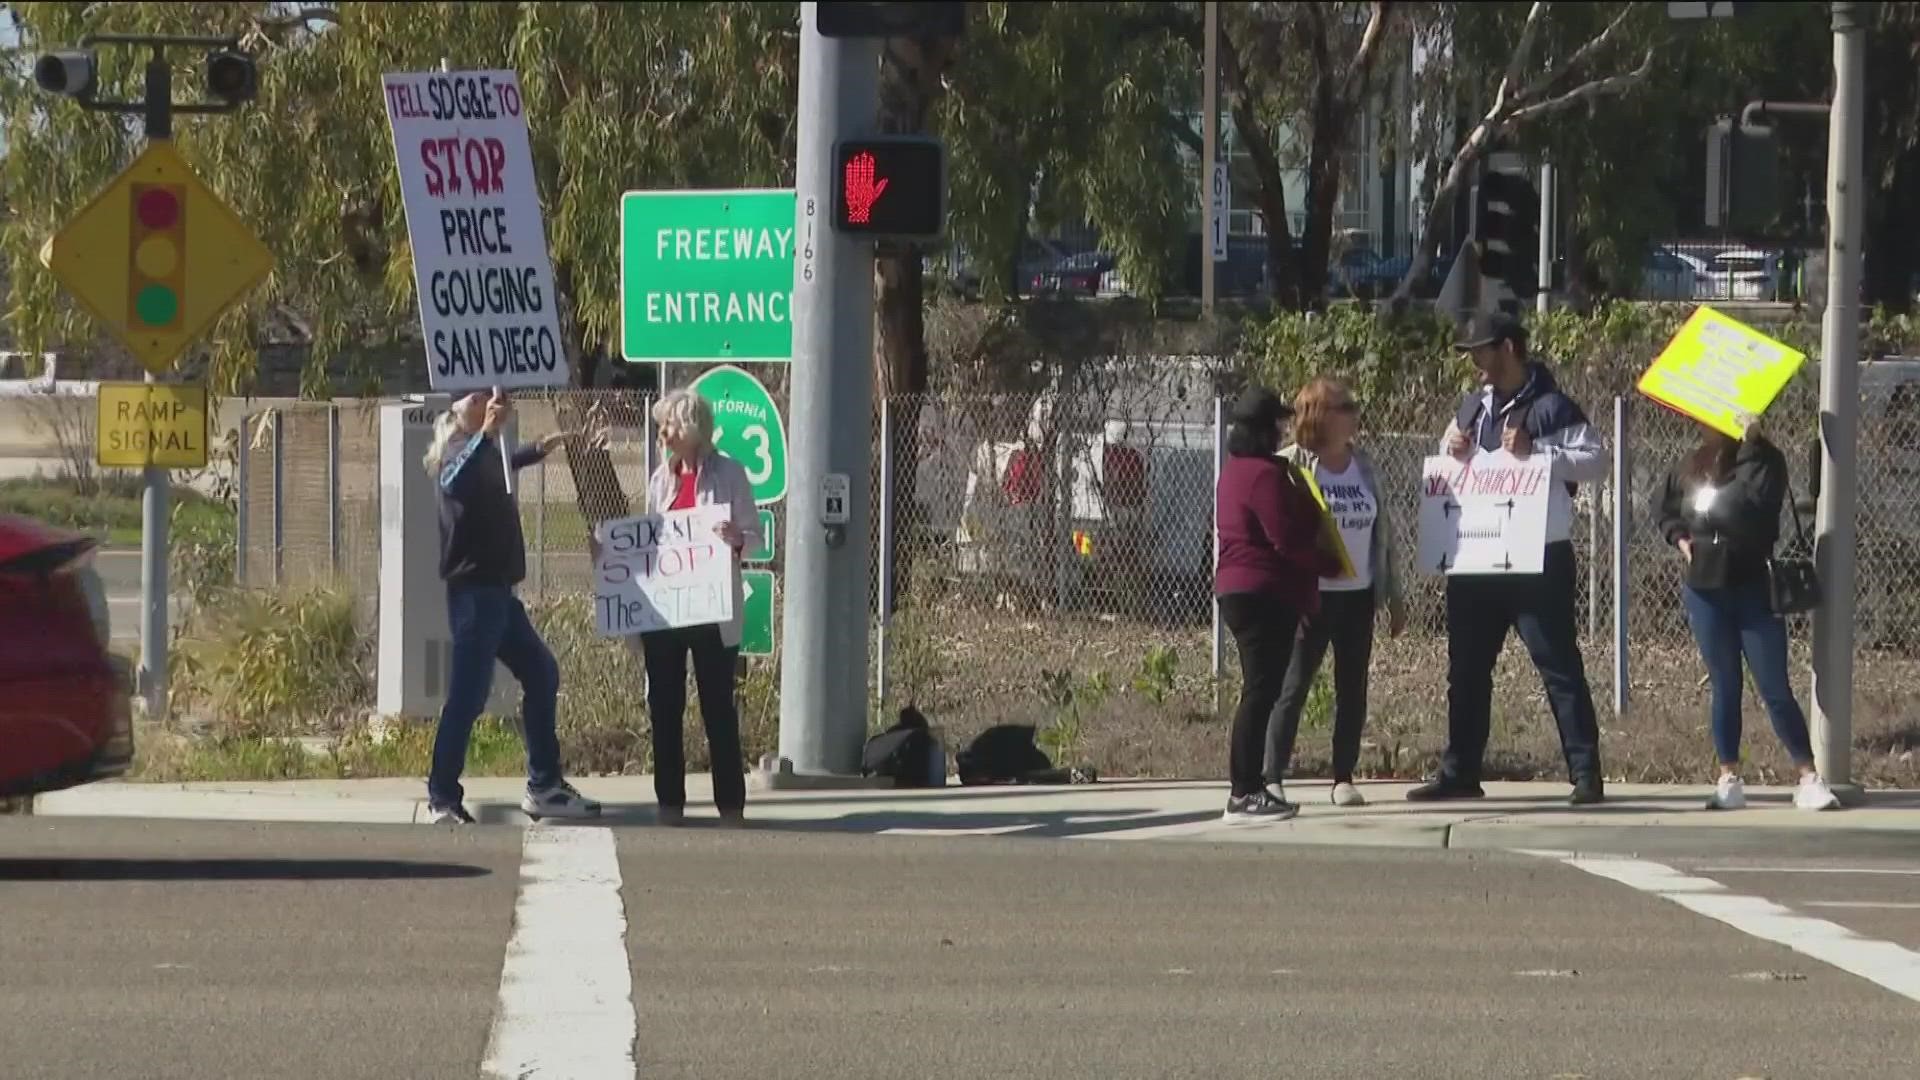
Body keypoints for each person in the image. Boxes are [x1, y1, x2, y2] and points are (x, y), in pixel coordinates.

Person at [1409, 312, 1610, 806]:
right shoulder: (1473, 407)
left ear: (1509, 348)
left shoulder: (1552, 406)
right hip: (1476, 558)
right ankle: (1460, 772)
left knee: (1558, 665)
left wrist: (1539, 451)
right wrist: (1450, 446)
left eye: (1481, 350)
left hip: (1537, 558)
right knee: (1467, 671)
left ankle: (1586, 774)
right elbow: (1450, 464)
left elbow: (1597, 460)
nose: (1475, 362)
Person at [422, 389, 602, 825]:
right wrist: (487, 434)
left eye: (488, 395)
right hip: (475, 595)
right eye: (475, 397)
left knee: (541, 672)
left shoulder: (486, 451)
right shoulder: (455, 452)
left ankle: (544, 786)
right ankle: (442, 797)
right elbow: (455, 482)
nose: (486, 401)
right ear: (457, 410)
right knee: (468, 696)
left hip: (499, 594)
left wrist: (548, 444)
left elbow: (508, 461)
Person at [1654, 422, 1841, 811]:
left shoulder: (1766, 461)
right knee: (1724, 684)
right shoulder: (1691, 463)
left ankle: (1807, 776)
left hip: (1753, 585)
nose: (1709, 424)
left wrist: (1753, 445)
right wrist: (1681, 538)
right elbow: (1666, 509)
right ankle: (1728, 776)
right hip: (1705, 588)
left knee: (1774, 685)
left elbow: (1756, 509)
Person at [1268, 378, 1408, 807]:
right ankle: (1271, 775)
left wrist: (1394, 595)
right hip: (1309, 595)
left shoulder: (1364, 465)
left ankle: (1342, 776)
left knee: (1353, 687)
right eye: (1345, 406)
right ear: (1321, 416)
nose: (1355, 413)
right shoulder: (1290, 465)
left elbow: (1384, 533)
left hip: (1358, 594)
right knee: (1292, 685)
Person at [624, 389, 760, 827]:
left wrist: (736, 537)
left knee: (717, 708)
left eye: (669, 424)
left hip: (712, 612)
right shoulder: (660, 481)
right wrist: (610, 551)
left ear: (692, 429)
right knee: (664, 707)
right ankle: (669, 804)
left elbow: (754, 537)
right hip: (665, 614)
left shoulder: (731, 475)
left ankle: (731, 806)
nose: (662, 432)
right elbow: (647, 543)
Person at [1215, 385, 1346, 822]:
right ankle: (1244, 791)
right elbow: (1285, 538)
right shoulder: (1265, 476)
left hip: (1236, 588)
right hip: (1262, 592)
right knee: (1260, 691)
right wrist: (1327, 563)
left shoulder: (1234, 471)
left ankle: (1248, 788)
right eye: (1276, 423)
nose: (1281, 429)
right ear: (1263, 429)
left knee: (1259, 689)